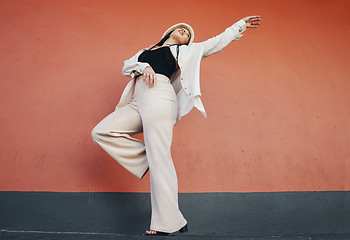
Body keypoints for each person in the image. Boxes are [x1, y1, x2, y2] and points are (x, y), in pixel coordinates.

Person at [91, 16, 261, 235]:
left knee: (160, 158)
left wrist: (239, 26)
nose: (184, 31)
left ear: (186, 42)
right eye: (182, 28)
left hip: (159, 97)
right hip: (137, 101)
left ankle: (168, 223)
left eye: (188, 34)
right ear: (169, 31)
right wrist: (144, 67)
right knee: (102, 131)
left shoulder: (188, 51)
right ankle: (151, 157)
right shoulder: (145, 51)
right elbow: (127, 66)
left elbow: (217, 42)